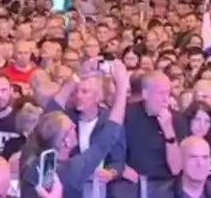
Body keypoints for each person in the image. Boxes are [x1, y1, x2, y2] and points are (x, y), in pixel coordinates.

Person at [20, 61, 129, 198]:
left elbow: (46, 120)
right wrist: (122, 87)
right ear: (66, 142)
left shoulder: (30, 162)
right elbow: (107, 136)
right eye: (71, 128)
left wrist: (77, 76)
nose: (75, 126)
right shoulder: (73, 170)